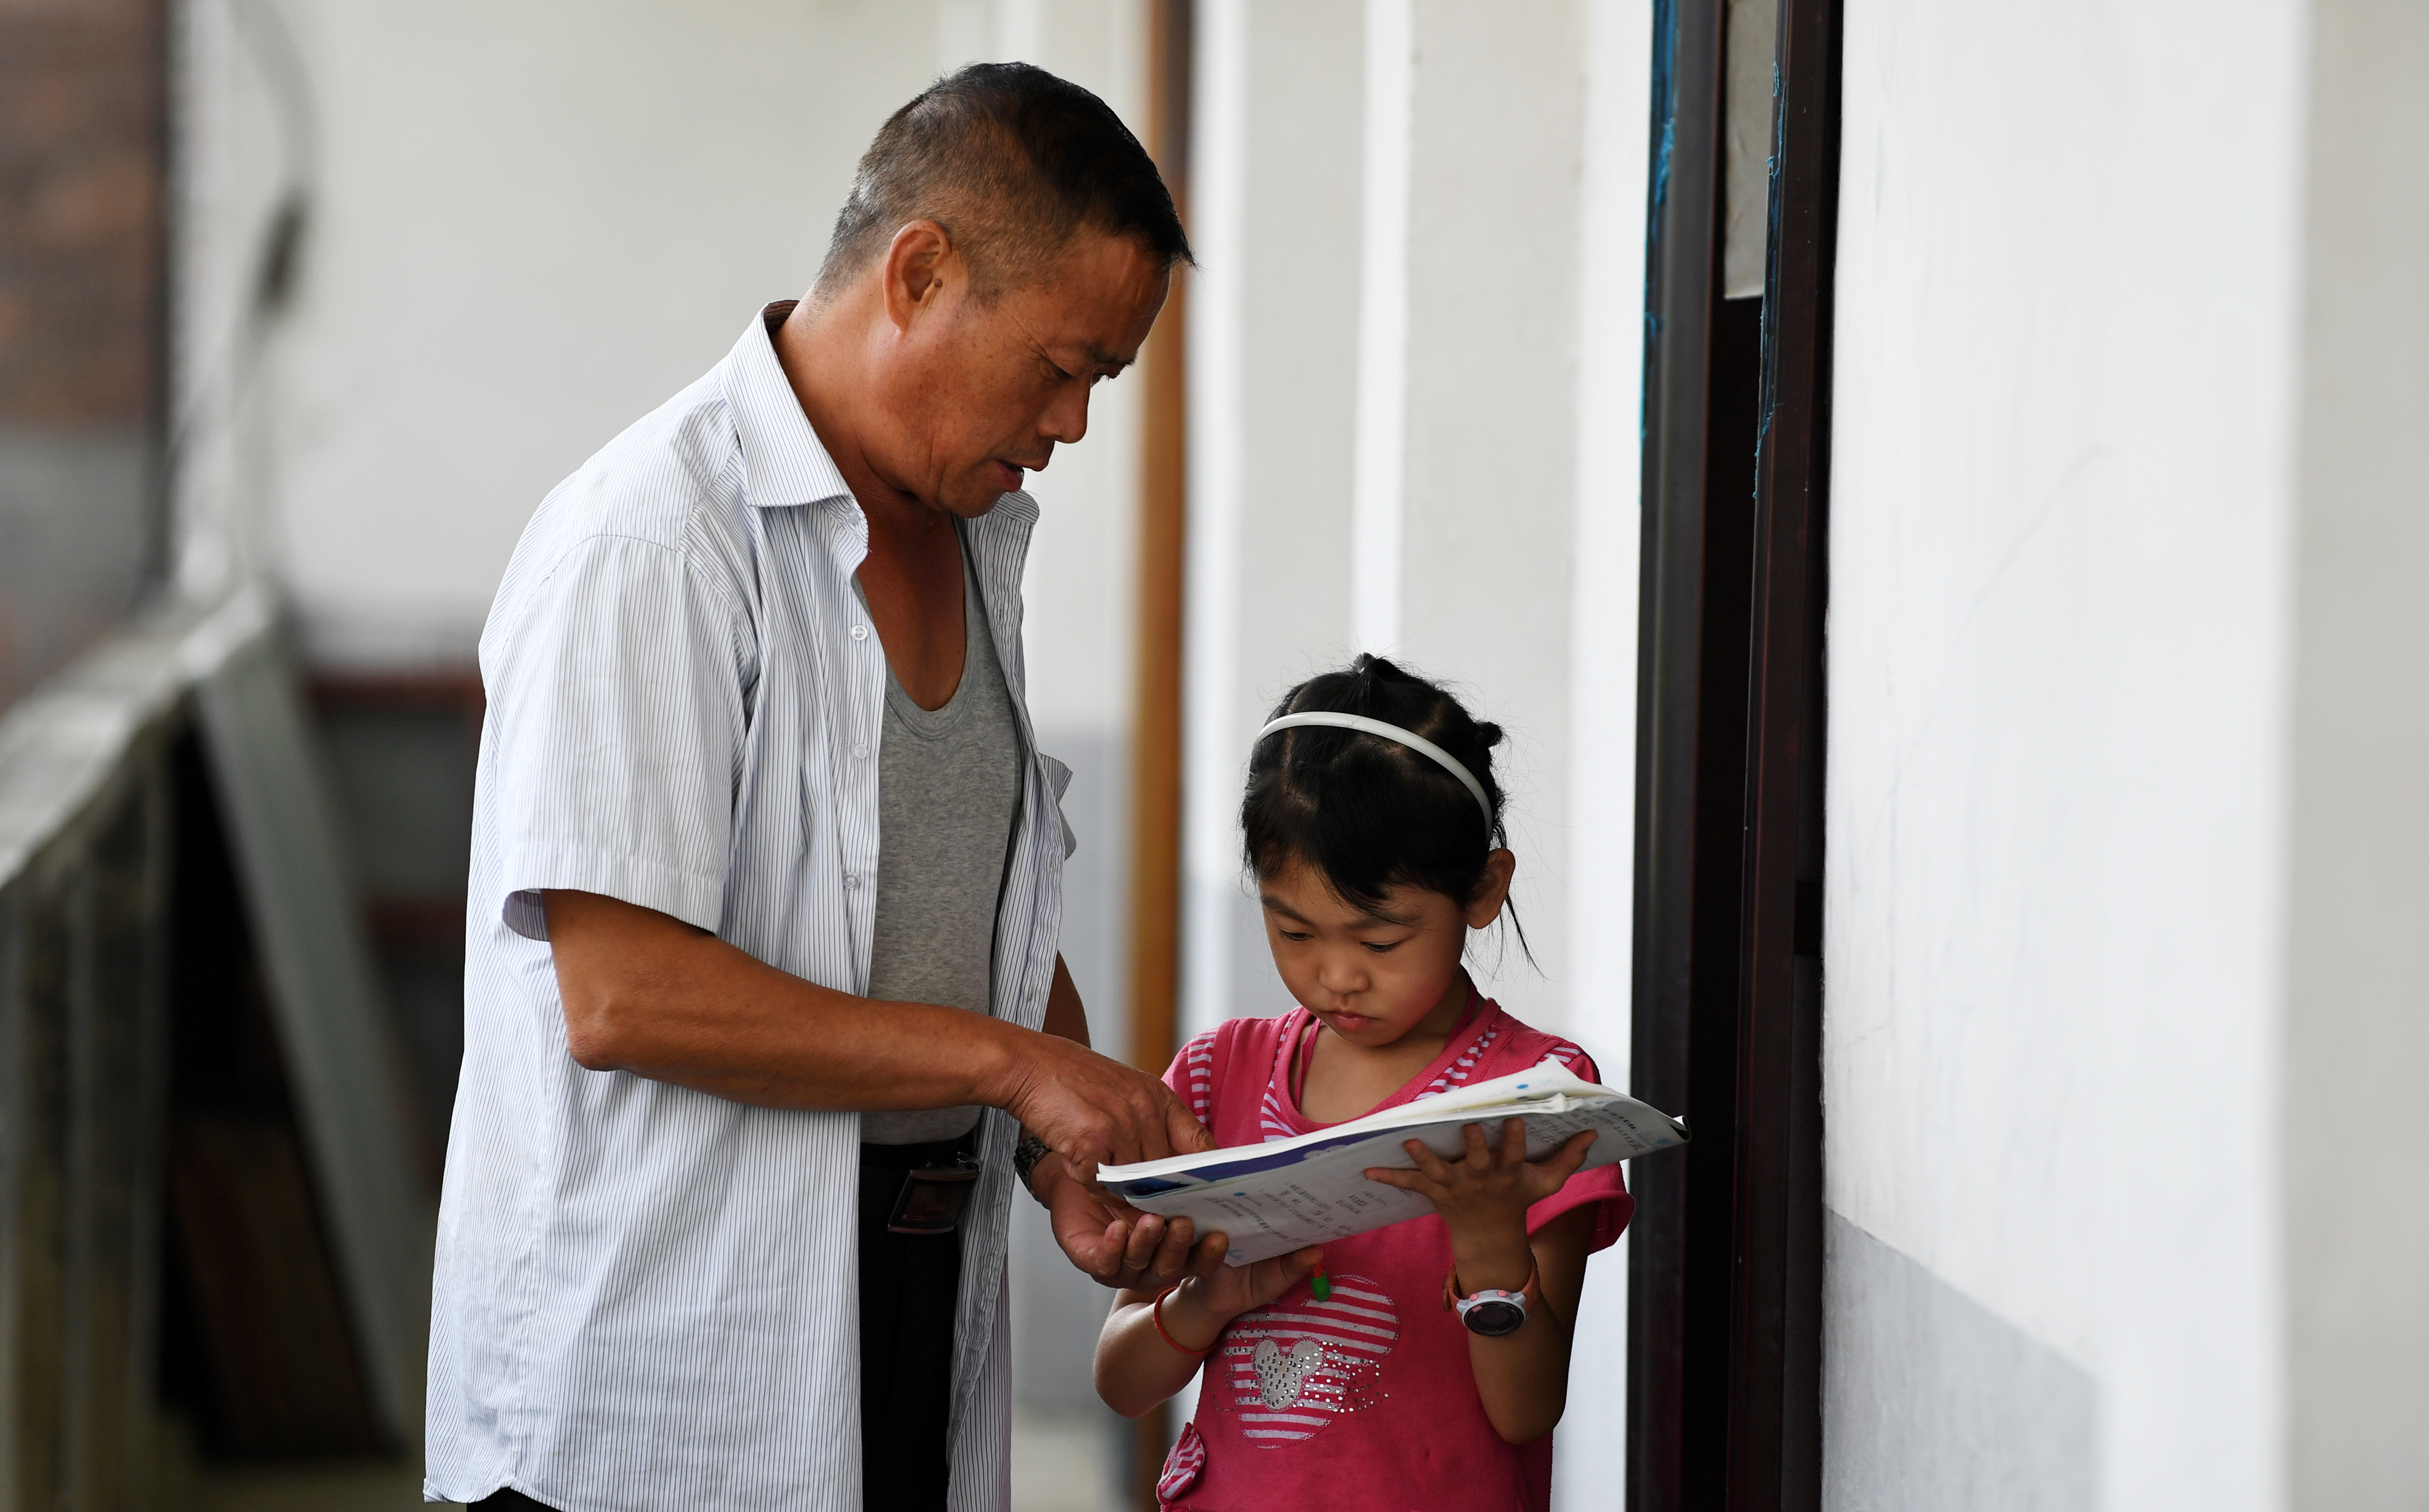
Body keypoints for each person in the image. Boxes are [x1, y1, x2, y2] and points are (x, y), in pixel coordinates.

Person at [425, 64, 1222, 1512]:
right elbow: (622, 997)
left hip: (905, 1303)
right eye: (1058, 367)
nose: (1071, 425)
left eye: (1101, 382)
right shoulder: (653, 539)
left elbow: (967, 910)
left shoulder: (974, 537)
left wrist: (1064, 1157)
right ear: (919, 274)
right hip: (655, 1367)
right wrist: (1012, 1068)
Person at [1091, 655, 1633, 1511]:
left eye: (1380, 942)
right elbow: (1122, 1382)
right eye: (1294, 931)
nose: (1337, 976)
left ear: (1484, 890)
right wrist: (1208, 1300)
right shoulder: (1213, 1077)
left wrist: (1487, 1235)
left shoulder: (1531, 1094)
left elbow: (1526, 1411)